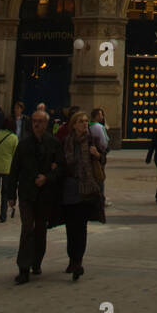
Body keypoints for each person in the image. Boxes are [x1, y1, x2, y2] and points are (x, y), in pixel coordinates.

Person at [7, 108, 63, 283]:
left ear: (46, 124)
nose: (36, 124)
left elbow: (61, 167)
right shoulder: (23, 144)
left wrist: (47, 177)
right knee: (27, 229)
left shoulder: (53, 143)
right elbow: (14, 169)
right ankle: (23, 267)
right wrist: (11, 195)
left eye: (40, 121)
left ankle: (36, 261)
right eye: (34, 121)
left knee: (40, 229)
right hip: (26, 193)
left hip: (45, 194)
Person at [55, 111, 105, 279]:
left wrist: (98, 155)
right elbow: (61, 163)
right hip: (70, 188)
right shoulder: (66, 142)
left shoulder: (92, 141)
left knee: (81, 227)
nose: (85, 124)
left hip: (86, 189)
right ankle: (72, 258)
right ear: (74, 125)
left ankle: (78, 261)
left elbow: (103, 158)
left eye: (86, 121)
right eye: (81, 121)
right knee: (71, 227)